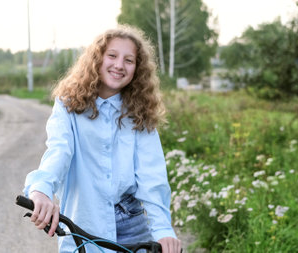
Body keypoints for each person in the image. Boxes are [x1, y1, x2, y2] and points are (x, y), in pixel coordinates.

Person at [23, 25, 182, 253]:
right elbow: (59, 151)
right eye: (112, 56)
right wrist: (41, 190)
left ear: (137, 69)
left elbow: (152, 177)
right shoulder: (68, 105)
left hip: (132, 223)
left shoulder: (140, 111)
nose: (119, 65)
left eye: (129, 60)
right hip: (84, 220)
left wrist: (164, 230)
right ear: (97, 58)